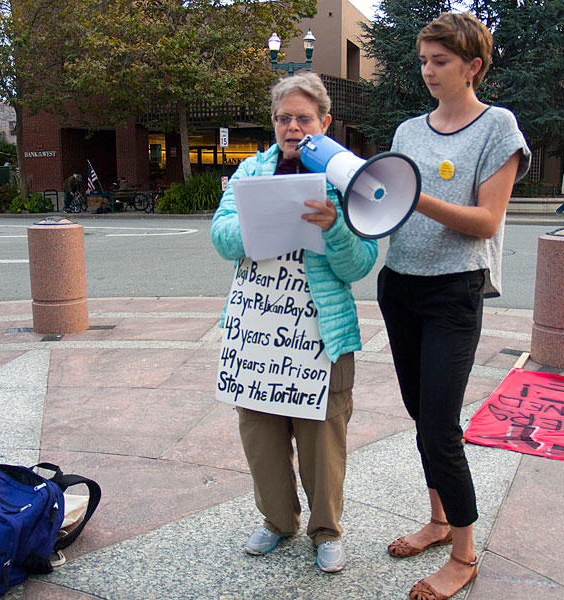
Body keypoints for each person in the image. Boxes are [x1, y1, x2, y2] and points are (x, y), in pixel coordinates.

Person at [377, 13, 530, 600]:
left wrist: (417, 197)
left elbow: (487, 222)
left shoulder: (499, 127)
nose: (428, 71)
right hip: (400, 283)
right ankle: (438, 521)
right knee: (421, 415)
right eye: (423, 60)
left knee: (441, 425)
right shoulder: (408, 130)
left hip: (454, 290)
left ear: (473, 66)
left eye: (440, 61)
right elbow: (388, 206)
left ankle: (464, 555)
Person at [210, 71, 378, 573]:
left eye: (304, 118)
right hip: (259, 332)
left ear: (324, 122)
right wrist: (259, 223)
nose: (293, 127)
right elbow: (221, 237)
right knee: (260, 437)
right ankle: (278, 521)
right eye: (284, 118)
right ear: (274, 124)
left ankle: (326, 531)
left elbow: (359, 264)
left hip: (320, 338)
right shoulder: (249, 171)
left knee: (322, 440)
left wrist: (336, 229)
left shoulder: (345, 178)